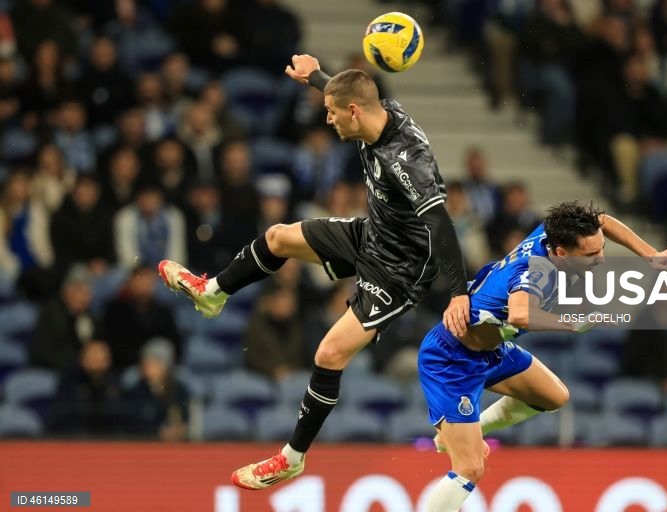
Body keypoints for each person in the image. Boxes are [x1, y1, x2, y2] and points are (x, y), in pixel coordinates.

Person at [157, 54, 470, 489]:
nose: (328, 119)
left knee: (328, 355)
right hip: (373, 233)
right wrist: (317, 77)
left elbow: (441, 223)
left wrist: (458, 293)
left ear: (354, 113)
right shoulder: (379, 111)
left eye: (331, 112)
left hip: (398, 271)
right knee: (278, 237)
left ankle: (292, 457)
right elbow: (349, 92)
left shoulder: (405, 160)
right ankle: (212, 292)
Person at [418, 201, 667, 511]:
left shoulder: (552, 235)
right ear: (562, 254)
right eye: (590, 256)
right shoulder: (533, 272)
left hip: (492, 350)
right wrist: (573, 324)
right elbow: (521, 314)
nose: (600, 260)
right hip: (452, 360)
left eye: (600, 250)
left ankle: (468, 431)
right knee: (470, 468)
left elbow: (602, 220)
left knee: (553, 396)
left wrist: (650, 254)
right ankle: (460, 440)